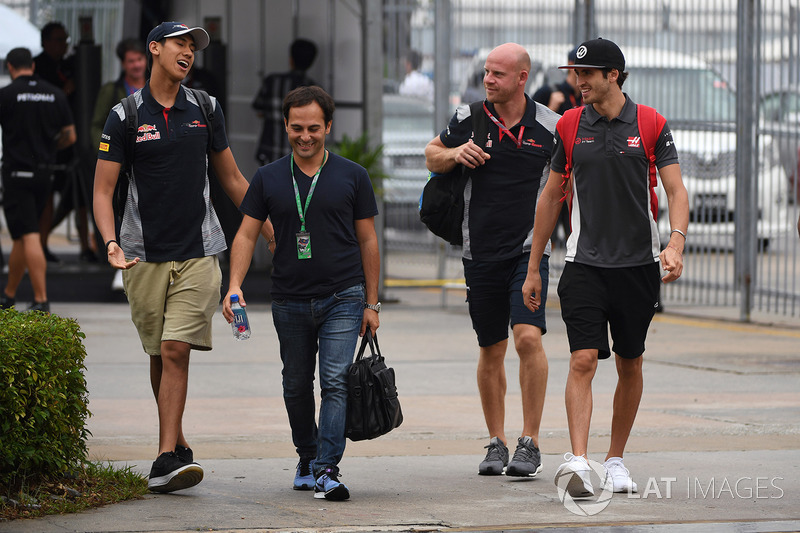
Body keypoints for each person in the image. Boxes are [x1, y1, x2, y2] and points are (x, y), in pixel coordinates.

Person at [93, 21, 273, 493]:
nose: (188, 52)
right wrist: (111, 243)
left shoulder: (206, 108)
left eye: (193, 46)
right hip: (141, 256)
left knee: (175, 350)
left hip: (199, 253)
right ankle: (178, 444)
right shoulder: (125, 115)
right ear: (155, 49)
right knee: (158, 351)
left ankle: (163, 458)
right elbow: (103, 189)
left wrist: (268, 223)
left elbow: (232, 178)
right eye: (180, 43)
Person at [521, 38, 690, 497]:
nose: (578, 82)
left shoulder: (652, 123)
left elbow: (675, 191)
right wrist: (534, 266)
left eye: (587, 74)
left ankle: (615, 459)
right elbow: (551, 196)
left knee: (630, 362)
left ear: (613, 74)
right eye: (575, 74)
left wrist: (675, 243)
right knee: (582, 359)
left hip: (638, 265)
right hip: (584, 264)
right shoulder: (572, 125)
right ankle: (578, 460)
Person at [223, 85, 380, 501]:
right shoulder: (268, 177)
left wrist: (371, 303)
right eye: (296, 128)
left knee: (334, 380)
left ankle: (328, 469)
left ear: (328, 126)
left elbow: (368, 241)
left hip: (343, 296)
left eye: (314, 128)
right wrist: (234, 285)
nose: (305, 136)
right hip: (288, 300)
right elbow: (245, 233)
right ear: (286, 126)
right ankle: (307, 456)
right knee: (295, 384)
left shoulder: (352, 175)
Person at [424, 43, 559, 477]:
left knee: (527, 339)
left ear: (522, 78)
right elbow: (431, 154)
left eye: (497, 74)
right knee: (490, 348)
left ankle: (530, 441)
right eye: (486, 72)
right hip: (477, 251)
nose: (488, 80)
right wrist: (454, 154)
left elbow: (566, 183)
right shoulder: (468, 118)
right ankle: (496, 441)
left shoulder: (550, 127)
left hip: (527, 252)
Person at [0, 47, 76, 313]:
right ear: (32, 65)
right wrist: (50, 147)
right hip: (45, 172)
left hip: (16, 173)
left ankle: (41, 299)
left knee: (29, 234)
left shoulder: (7, 95)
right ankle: (8, 295)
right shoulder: (54, 94)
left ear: (10, 67)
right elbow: (70, 135)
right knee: (23, 235)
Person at [33, 21, 86, 263]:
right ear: (45, 42)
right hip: (46, 141)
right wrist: (64, 91)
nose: (63, 45)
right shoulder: (39, 67)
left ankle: (86, 245)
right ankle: (39, 244)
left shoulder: (71, 65)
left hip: (71, 139)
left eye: (66, 40)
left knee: (77, 194)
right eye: (58, 40)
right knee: (46, 196)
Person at [532, 46, 582, 247]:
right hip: (550, 166)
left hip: (577, 168)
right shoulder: (549, 92)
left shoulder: (587, 98)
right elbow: (530, 128)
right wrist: (552, 108)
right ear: (570, 66)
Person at [252, 38, 318, 165]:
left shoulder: (272, 81)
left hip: (270, 152)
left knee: (270, 184)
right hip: (300, 155)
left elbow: (259, 110)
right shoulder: (314, 89)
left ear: (291, 60)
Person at [90, 39, 147, 150]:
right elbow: (97, 126)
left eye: (140, 59)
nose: (137, 65)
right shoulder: (111, 90)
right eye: (131, 61)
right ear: (123, 64)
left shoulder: (155, 89)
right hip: (119, 156)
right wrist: (107, 152)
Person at [532, 46, 581, 114]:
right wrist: (551, 109)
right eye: (581, 65)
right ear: (570, 65)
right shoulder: (546, 92)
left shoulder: (588, 97)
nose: (585, 69)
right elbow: (530, 121)